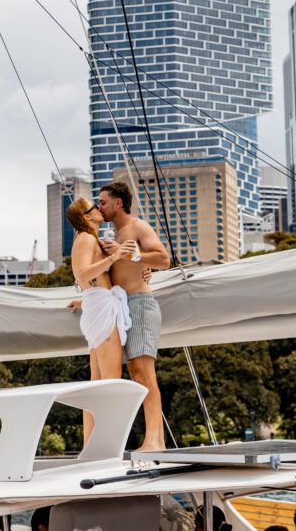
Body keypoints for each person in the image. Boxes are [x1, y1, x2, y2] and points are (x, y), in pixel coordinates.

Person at [98, 181, 170, 451]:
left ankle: (155, 441)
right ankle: (153, 439)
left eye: (103, 201)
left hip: (140, 304)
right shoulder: (114, 237)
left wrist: (137, 255)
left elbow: (164, 259)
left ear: (118, 203)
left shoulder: (137, 227)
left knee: (144, 372)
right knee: (135, 373)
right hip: (122, 307)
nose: (99, 207)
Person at [66, 197, 136, 440]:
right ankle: (107, 446)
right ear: (86, 216)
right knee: (110, 384)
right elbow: (81, 274)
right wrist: (112, 259)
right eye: (94, 206)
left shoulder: (89, 239)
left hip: (97, 305)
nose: (98, 208)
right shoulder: (85, 238)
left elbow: (91, 282)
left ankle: (91, 445)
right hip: (101, 308)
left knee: (97, 385)